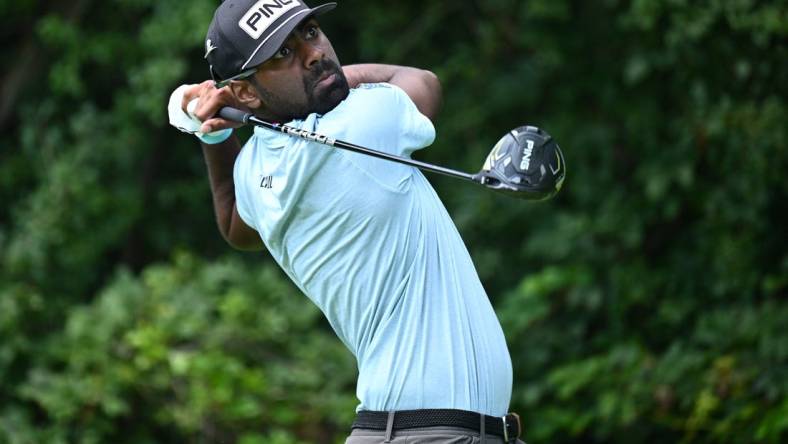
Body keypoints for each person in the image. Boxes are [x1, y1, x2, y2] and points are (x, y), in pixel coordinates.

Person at [167, 1, 525, 442]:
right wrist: (334, 75)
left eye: (312, 33)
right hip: (429, 432)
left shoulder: (255, 174)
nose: (314, 53)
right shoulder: (363, 122)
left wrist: (216, 135)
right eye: (283, 54)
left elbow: (232, 222)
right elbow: (421, 81)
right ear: (244, 93)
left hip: (409, 429)